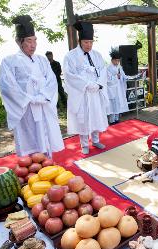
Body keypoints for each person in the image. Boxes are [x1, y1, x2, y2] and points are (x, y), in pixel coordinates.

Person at [0, 15, 64, 157]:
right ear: (19, 42)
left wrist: (43, 96)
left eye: (35, 40)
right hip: (25, 109)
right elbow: (8, 87)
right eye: (29, 41)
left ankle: (48, 163)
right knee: (29, 139)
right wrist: (29, 98)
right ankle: (31, 170)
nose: (33, 45)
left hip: (43, 105)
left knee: (45, 137)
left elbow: (52, 80)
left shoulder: (42, 60)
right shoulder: (9, 61)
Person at [63, 21, 108, 155]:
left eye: (91, 42)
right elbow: (69, 74)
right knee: (83, 119)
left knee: (95, 116)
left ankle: (95, 140)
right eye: (86, 42)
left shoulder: (97, 55)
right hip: (82, 93)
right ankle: (84, 144)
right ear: (79, 41)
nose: (89, 45)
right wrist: (86, 84)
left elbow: (103, 70)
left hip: (95, 93)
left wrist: (99, 84)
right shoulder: (70, 56)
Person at [106, 48, 128, 125]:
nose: (117, 62)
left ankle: (117, 119)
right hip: (111, 89)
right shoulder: (108, 68)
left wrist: (124, 77)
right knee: (112, 105)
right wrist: (116, 76)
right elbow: (107, 80)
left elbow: (123, 75)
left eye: (118, 60)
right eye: (116, 60)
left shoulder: (119, 67)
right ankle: (111, 121)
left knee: (118, 103)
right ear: (112, 60)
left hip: (118, 88)